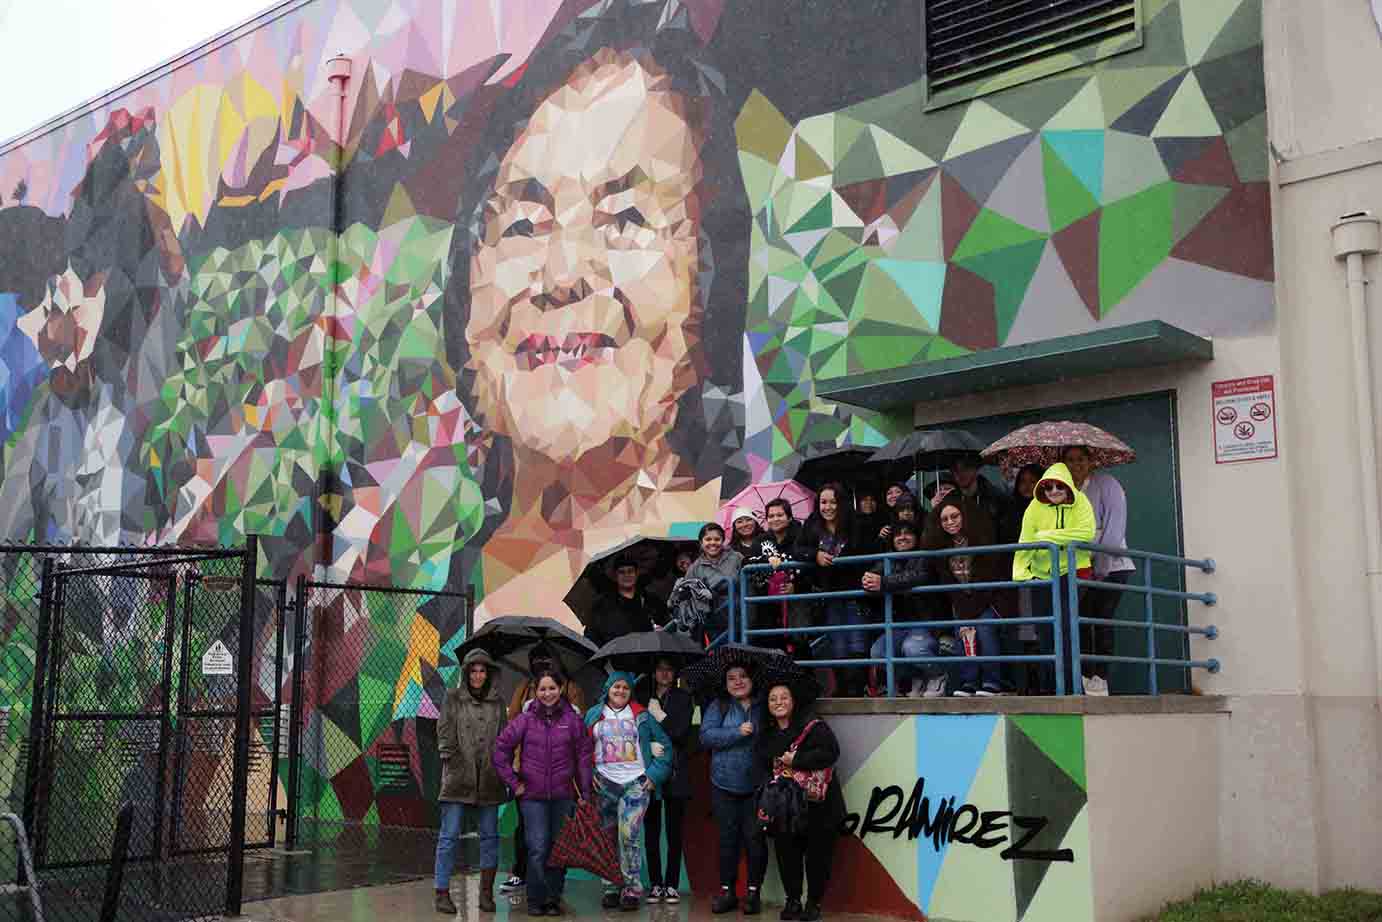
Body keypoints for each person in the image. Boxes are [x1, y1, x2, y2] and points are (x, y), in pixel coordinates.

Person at [450, 2, 746, 628]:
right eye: (524, 222)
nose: (563, 275)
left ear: (707, 279)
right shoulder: (436, 595)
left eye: (627, 219)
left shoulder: (735, 553)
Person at [493, 670, 594, 917]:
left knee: (558, 849)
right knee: (537, 847)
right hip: (532, 797)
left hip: (563, 795)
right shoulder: (525, 720)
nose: (547, 693)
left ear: (560, 689)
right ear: (535, 692)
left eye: (552, 688)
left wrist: (585, 792)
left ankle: (553, 898)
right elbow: (500, 750)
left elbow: (583, 757)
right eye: (542, 689)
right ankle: (536, 899)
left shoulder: (572, 721)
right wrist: (514, 783)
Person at [755, 679, 844, 922]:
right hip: (785, 806)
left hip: (818, 805)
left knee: (818, 856)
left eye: (784, 697)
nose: (778, 702)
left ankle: (813, 903)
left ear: (794, 700)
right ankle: (792, 900)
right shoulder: (767, 733)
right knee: (787, 854)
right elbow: (761, 763)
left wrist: (797, 760)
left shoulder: (813, 725)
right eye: (773, 699)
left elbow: (831, 753)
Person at [584, 672, 674, 910]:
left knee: (628, 835)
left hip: (635, 783)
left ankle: (632, 888)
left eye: (625, 687)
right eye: (617, 686)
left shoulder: (642, 715)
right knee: (607, 836)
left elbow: (665, 744)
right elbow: (581, 748)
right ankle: (612, 886)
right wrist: (588, 775)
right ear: (608, 688)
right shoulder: (594, 714)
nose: (621, 691)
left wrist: (655, 776)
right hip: (604, 783)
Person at [1013, 464, 1096, 695]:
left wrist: (1047, 536)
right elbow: (1025, 541)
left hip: (1075, 570)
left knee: (1067, 629)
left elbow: (1086, 533)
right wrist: (1020, 573)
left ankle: (1071, 687)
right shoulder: (1034, 507)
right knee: (1046, 631)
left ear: (1068, 486)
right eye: (1047, 487)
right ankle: (1051, 687)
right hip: (1043, 574)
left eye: (1059, 486)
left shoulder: (1081, 502)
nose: (1053, 491)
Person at [435, 649, 507, 914]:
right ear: (466, 673)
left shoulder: (498, 703)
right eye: (473, 671)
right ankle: (442, 892)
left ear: (488, 673)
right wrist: (451, 759)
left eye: (482, 670)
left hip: (489, 777)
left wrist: (500, 766)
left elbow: (504, 738)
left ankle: (486, 894)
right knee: (449, 835)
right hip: (458, 777)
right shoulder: (453, 697)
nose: (478, 676)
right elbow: (444, 731)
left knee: (490, 836)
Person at [1061, 445, 1135, 696]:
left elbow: (1114, 532)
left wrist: (1099, 567)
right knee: (1081, 620)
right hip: (1080, 569)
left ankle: (1100, 677)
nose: (1075, 465)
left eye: (1081, 459)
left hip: (1112, 567)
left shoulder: (1108, 484)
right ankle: (1083, 675)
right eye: (1069, 460)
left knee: (1101, 618)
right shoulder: (1063, 491)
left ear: (1091, 461)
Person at [700, 664, 767, 915]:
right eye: (731, 678)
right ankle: (727, 892)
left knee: (755, 840)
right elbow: (706, 737)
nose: (738, 681)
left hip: (757, 785)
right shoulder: (719, 706)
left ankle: (753, 893)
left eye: (743, 676)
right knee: (728, 840)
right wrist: (737, 732)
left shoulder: (763, 706)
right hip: (723, 783)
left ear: (752, 679)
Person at [925, 495, 1007, 697]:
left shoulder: (980, 537)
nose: (950, 522)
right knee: (963, 637)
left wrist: (972, 611)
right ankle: (969, 682)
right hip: (961, 601)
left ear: (964, 516)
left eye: (954, 516)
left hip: (985, 599)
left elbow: (989, 575)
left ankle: (991, 683)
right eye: (944, 519)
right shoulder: (940, 545)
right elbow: (946, 581)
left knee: (985, 633)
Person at [794, 483, 868, 696]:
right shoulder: (812, 523)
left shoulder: (856, 523)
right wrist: (815, 556)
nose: (828, 507)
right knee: (837, 643)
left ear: (841, 503)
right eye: (823, 502)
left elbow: (868, 550)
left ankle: (857, 689)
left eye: (833, 502)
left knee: (857, 641)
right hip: (830, 593)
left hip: (856, 591)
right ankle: (843, 688)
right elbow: (798, 549)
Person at [862, 524, 947, 697]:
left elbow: (919, 576)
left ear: (917, 537)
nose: (902, 537)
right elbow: (873, 577)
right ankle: (915, 678)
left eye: (908, 533)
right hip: (899, 624)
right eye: (897, 535)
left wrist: (884, 583)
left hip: (925, 622)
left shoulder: (924, 556)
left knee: (913, 648)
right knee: (878, 652)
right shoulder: (888, 559)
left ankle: (938, 675)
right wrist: (867, 580)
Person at [635, 660, 694, 904]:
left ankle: (671, 884)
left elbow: (681, 732)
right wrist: (647, 745)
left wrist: (661, 716)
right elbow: (635, 730)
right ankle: (656, 883)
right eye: (659, 668)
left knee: (673, 831)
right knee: (650, 830)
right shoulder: (641, 694)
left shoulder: (683, 697)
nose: (665, 673)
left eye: (670, 669)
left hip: (676, 772)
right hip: (650, 771)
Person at [753, 498, 806, 656]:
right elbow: (746, 561)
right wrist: (766, 560)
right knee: (771, 646)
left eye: (780, 515)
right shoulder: (761, 539)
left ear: (789, 517)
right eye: (771, 516)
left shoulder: (802, 537)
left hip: (797, 603)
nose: (775, 519)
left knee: (799, 644)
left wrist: (797, 587)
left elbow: (810, 564)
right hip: (768, 604)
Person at [685, 523, 745, 640]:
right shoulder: (695, 568)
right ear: (701, 542)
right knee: (723, 655)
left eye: (717, 539)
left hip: (741, 617)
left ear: (723, 541)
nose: (713, 543)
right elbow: (689, 594)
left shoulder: (736, 557)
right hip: (715, 622)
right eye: (708, 539)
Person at [586, 556, 661, 648]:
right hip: (618, 657)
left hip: (651, 654)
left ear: (637, 574)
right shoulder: (602, 606)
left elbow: (668, 626)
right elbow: (592, 638)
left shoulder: (652, 601)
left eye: (630, 571)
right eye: (622, 572)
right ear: (615, 576)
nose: (627, 575)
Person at [950, 455, 1014, 542]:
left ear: (976, 469)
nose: (960, 473)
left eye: (965, 468)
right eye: (955, 470)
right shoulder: (950, 501)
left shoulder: (997, 497)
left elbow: (1007, 533)